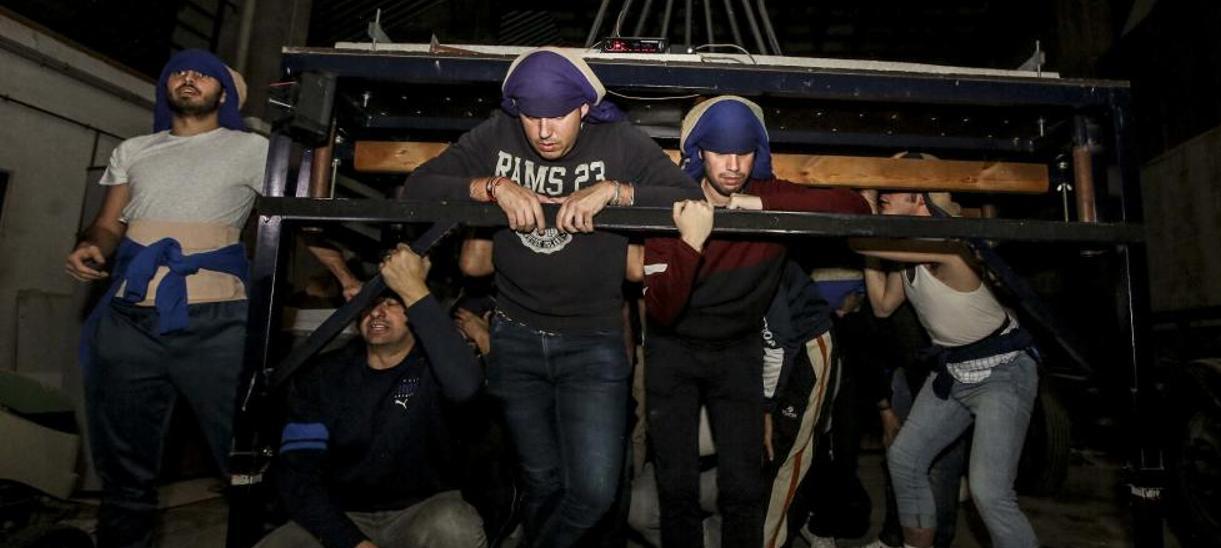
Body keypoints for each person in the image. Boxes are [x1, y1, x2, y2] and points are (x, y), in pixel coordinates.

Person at [403, 47, 700, 547]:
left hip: (593, 343)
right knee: (541, 482)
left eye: (557, 116)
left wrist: (614, 191)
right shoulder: (497, 134)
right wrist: (491, 186)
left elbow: (687, 193)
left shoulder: (620, 141)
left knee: (595, 492)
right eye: (532, 117)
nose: (543, 131)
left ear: (584, 108)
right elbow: (416, 188)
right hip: (515, 340)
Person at [643, 95, 869, 547]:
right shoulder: (671, 201)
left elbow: (856, 209)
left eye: (743, 152)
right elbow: (662, 309)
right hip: (674, 352)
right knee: (676, 487)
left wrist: (761, 208)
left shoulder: (767, 195)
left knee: (745, 487)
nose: (732, 164)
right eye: (720, 151)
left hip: (737, 352)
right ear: (698, 153)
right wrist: (690, 242)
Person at [64, 49, 266, 548]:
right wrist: (93, 245)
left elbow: (298, 214)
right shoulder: (134, 149)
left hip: (218, 319)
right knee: (124, 466)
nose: (189, 77)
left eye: (204, 73)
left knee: (241, 456)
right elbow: (110, 223)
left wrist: (345, 275)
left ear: (225, 93)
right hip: (130, 317)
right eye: (178, 70)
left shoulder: (251, 148)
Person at [257, 244, 486, 548]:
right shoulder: (323, 376)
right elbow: (298, 475)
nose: (377, 311)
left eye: (392, 303)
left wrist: (414, 290)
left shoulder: (434, 367)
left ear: (413, 314)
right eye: (370, 303)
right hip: (344, 514)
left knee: (455, 525)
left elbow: (466, 387)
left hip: (419, 511)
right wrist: (352, 542)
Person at [853, 189, 1039, 548]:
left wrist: (863, 204)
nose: (884, 197)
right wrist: (872, 258)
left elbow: (862, 242)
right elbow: (882, 306)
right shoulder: (906, 259)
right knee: (905, 458)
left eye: (892, 193)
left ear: (921, 201)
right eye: (882, 194)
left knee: (990, 492)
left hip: (1002, 372)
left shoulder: (947, 248)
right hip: (954, 373)